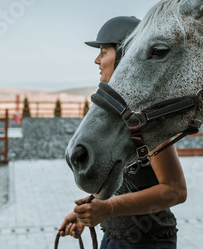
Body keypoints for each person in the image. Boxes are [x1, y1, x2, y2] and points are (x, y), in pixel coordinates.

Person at [58, 16, 187, 249]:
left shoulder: (145, 119)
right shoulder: (116, 118)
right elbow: (126, 180)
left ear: (124, 54)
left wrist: (107, 208)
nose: (97, 60)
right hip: (114, 237)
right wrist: (89, 210)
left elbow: (175, 190)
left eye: (104, 51)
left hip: (149, 242)